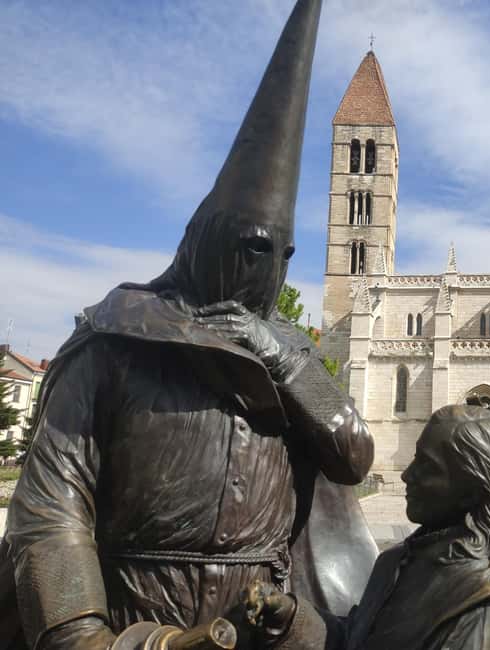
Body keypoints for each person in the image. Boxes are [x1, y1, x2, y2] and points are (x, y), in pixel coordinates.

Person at [2, 3, 379, 649]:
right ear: (207, 241)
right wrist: (78, 632)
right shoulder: (117, 337)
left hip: (263, 616)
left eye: (286, 253)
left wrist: (283, 359)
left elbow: (353, 458)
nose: (272, 266)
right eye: (256, 245)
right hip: (135, 610)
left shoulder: (290, 348)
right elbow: (51, 508)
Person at [242, 405, 490, 649]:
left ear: (471, 489)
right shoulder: (403, 560)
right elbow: (358, 638)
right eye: (415, 459)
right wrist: (291, 618)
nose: (408, 475)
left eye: (428, 467)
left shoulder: (482, 600)